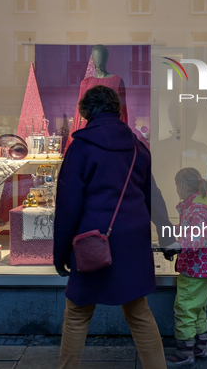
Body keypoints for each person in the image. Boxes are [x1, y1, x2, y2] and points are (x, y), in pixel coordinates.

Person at [53, 85, 166, 369]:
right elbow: (151, 194)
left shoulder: (80, 148)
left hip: (92, 241)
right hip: (132, 239)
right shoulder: (138, 146)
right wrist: (167, 232)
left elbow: (68, 206)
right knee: (138, 311)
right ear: (117, 110)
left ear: (86, 112)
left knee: (78, 312)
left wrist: (60, 253)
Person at [166, 168, 207, 368]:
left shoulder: (195, 209)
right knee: (198, 310)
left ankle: (185, 353)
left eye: (176, 185)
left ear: (182, 186)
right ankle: (200, 348)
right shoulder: (204, 205)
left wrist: (177, 245)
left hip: (195, 268)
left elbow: (197, 237)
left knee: (185, 309)